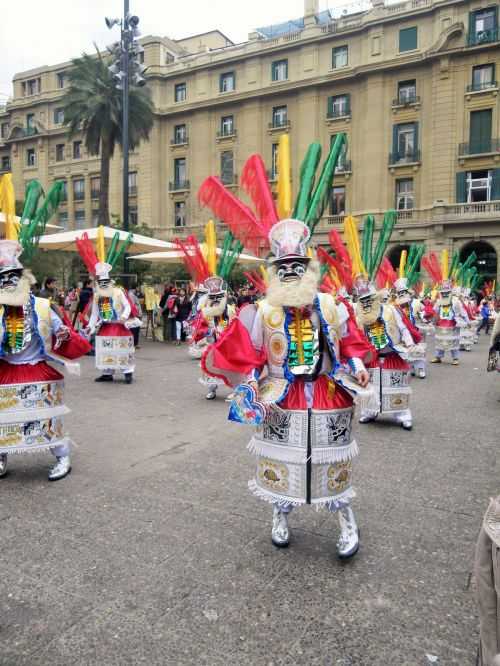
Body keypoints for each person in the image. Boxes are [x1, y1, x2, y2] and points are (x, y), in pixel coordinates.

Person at [200, 136, 377, 557]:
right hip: (282, 395)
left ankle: (345, 522)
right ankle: (280, 512)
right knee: (284, 460)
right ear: (275, 272)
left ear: (310, 269)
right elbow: (248, 352)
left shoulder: (332, 305)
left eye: (299, 267)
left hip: (330, 392)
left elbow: (352, 340)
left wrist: (356, 360)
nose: (293, 274)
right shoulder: (262, 311)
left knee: (332, 462)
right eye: (285, 268)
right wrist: (247, 377)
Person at [0, 175, 91, 481]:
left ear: (24, 278)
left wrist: (63, 335)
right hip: (6, 368)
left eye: (13, 277)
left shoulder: (41, 306)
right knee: (3, 418)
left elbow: (62, 334)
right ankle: (1, 457)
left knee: (45, 416)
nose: (9, 283)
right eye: (3, 279)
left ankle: (62, 457)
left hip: (37, 367)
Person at [76, 233, 136, 384]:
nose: (103, 286)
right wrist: (90, 327)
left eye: (105, 283)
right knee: (105, 350)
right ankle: (107, 373)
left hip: (119, 326)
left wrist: (124, 316)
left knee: (122, 349)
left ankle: (127, 372)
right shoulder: (97, 296)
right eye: (101, 283)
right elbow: (95, 314)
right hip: (105, 326)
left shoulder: (118, 292)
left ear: (110, 282)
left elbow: (128, 306)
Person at [127, 284, 143, 348]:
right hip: (134, 314)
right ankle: (134, 344)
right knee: (135, 329)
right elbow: (132, 305)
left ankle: (135, 343)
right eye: (138, 288)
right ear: (136, 287)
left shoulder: (133, 294)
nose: (139, 289)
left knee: (136, 329)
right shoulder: (131, 294)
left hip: (136, 313)